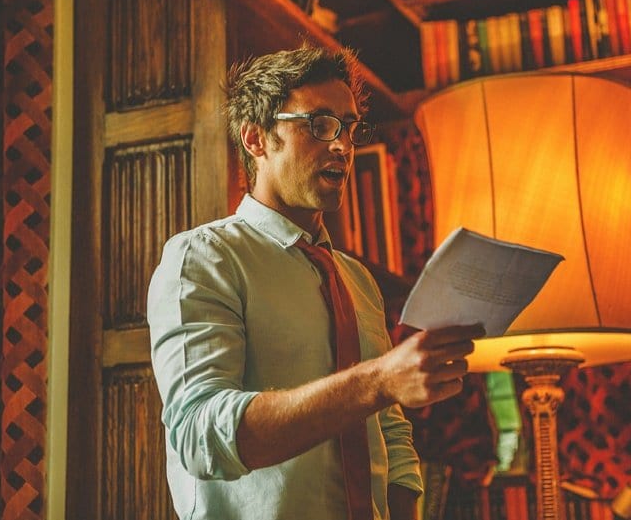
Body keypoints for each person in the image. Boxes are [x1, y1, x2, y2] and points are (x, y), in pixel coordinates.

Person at [147, 46, 483, 520]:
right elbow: (201, 437)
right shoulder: (204, 257)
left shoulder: (358, 279)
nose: (343, 145)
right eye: (319, 125)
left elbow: (390, 434)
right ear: (256, 139)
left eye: (348, 127)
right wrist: (379, 380)